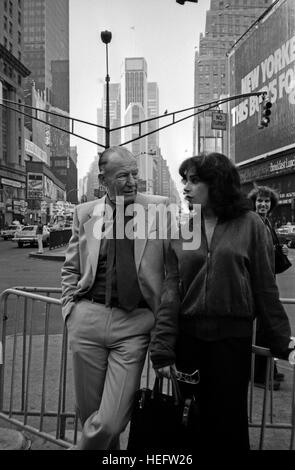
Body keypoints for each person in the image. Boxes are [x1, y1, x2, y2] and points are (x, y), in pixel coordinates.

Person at [150, 153, 294, 451]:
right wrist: (163, 347)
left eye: (194, 180)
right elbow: (172, 290)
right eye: (184, 181)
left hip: (232, 341)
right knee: (191, 421)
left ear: (216, 183)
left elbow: (265, 288)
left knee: (229, 423)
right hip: (189, 341)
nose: (186, 188)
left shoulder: (250, 225)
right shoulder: (187, 228)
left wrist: (283, 341)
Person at [61, 146, 172, 450]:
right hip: (87, 320)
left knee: (108, 422)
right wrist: (70, 312)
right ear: (103, 179)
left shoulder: (160, 208)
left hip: (134, 324)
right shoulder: (84, 213)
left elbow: (175, 269)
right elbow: (71, 268)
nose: (133, 181)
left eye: (135, 173)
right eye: (123, 176)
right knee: (90, 416)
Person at [248, 185, 289, 390]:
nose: (263, 204)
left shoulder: (266, 222)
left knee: (265, 329)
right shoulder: (253, 223)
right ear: (253, 203)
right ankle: (259, 376)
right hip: (257, 286)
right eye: (259, 201)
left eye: (266, 201)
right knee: (262, 331)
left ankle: (268, 372)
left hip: (266, 283)